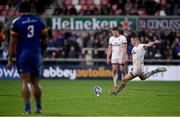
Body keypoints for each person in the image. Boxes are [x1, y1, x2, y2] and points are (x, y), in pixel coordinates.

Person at [7, 1, 48, 114]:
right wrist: (42, 51)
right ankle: (39, 108)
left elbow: (12, 43)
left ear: (20, 10)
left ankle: (27, 109)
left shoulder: (17, 22)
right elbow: (45, 39)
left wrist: (10, 59)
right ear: (31, 9)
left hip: (23, 55)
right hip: (36, 54)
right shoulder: (39, 21)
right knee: (35, 82)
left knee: (25, 81)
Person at [106, 27, 127, 91]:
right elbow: (109, 48)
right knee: (114, 70)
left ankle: (123, 85)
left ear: (118, 31)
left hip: (121, 56)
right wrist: (108, 57)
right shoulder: (111, 38)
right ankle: (115, 85)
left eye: (115, 32)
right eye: (113, 32)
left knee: (122, 70)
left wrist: (124, 57)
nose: (113, 33)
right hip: (114, 56)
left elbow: (124, 48)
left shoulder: (123, 38)